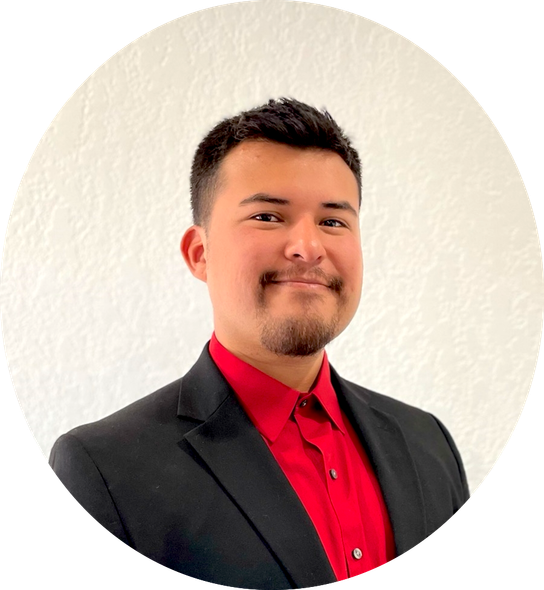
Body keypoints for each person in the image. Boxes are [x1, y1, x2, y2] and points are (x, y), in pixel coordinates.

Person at [49, 98, 469, 589]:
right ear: (200, 253)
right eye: (269, 216)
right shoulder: (105, 470)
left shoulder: (428, 442)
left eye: (333, 221)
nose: (308, 247)